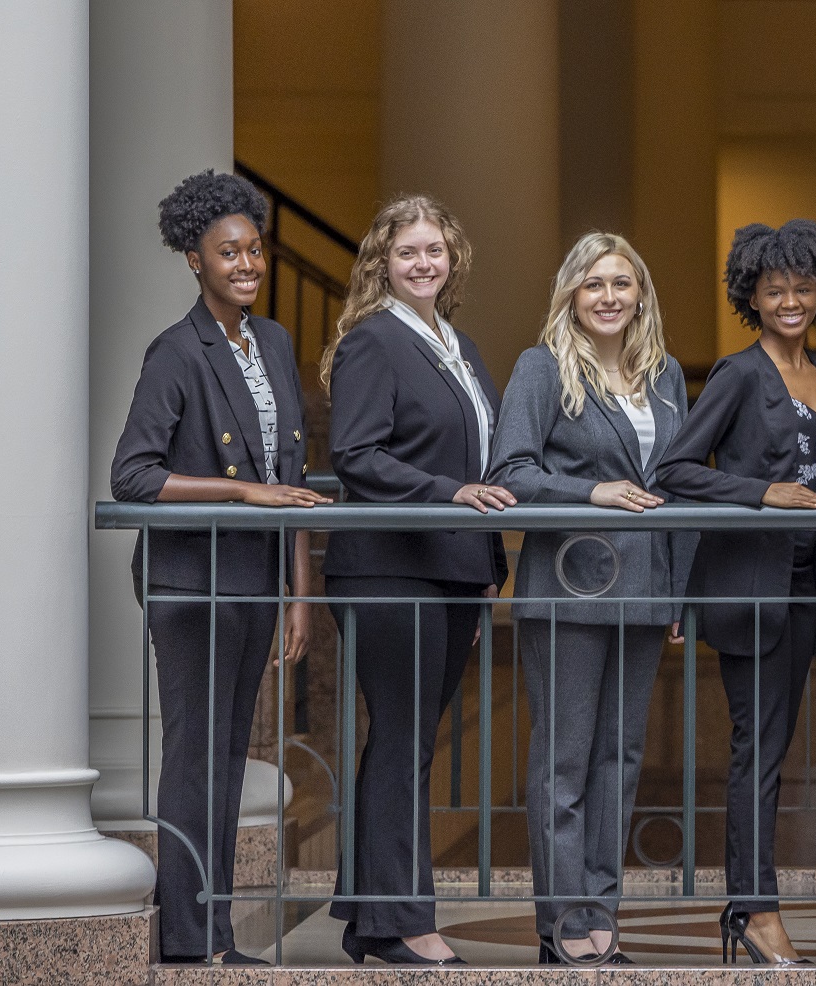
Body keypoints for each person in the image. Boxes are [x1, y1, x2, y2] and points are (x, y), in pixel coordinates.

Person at [110, 170, 330, 965]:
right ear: (194, 262)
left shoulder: (270, 340)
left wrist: (302, 596)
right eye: (226, 252)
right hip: (191, 585)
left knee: (228, 760)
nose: (246, 264)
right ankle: (184, 939)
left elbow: (294, 483)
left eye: (254, 249)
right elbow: (131, 475)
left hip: (253, 584)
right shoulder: (176, 352)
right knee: (196, 761)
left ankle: (216, 937)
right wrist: (242, 490)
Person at [487, 232, 693, 965]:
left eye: (621, 284)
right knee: (565, 762)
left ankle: (603, 913)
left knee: (621, 758)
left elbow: (682, 485)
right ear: (571, 294)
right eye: (593, 284)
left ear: (641, 295)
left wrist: (678, 593)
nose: (608, 297)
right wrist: (593, 491)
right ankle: (564, 924)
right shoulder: (542, 368)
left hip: (645, 591)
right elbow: (509, 470)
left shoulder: (664, 374)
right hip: (570, 586)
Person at [655, 219, 816, 966]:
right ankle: (753, 906)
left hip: (810, 587)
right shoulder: (739, 374)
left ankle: (752, 901)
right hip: (749, 584)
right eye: (775, 289)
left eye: (803, 287)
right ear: (753, 295)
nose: (791, 300)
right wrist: (759, 494)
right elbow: (673, 469)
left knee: (776, 746)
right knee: (757, 750)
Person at [321, 194, 511, 966]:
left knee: (406, 745)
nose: (423, 262)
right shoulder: (374, 341)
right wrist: (448, 492)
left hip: (451, 568)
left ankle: (372, 918)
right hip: (390, 569)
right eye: (407, 252)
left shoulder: (454, 344)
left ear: (452, 258)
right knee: (401, 742)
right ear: (382, 264)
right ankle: (404, 921)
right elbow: (357, 456)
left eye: (434, 250)